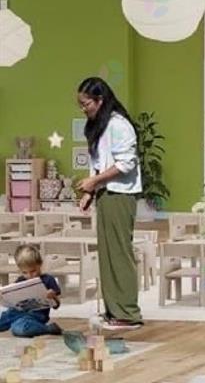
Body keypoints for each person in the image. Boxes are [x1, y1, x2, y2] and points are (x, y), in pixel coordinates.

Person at [76, 77, 143, 329]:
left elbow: (126, 163)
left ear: (100, 100)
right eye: (81, 105)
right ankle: (114, 310)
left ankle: (128, 313)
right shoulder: (100, 126)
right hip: (106, 193)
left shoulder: (119, 125)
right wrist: (90, 192)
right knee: (107, 254)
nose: (83, 109)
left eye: (86, 104)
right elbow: (98, 163)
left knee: (119, 253)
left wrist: (94, 181)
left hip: (120, 194)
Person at [0, 244, 62, 337]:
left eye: (33, 271)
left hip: (35, 315)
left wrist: (53, 297)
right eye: (25, 272)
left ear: (40, 264)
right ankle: (17, 322)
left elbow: (57, 305)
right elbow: (12, 300)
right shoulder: (20, 280)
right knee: (7, 318)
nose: (29, 275)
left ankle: (48, 329)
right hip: (15, 313)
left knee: (19, 329)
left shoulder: (48, 280)